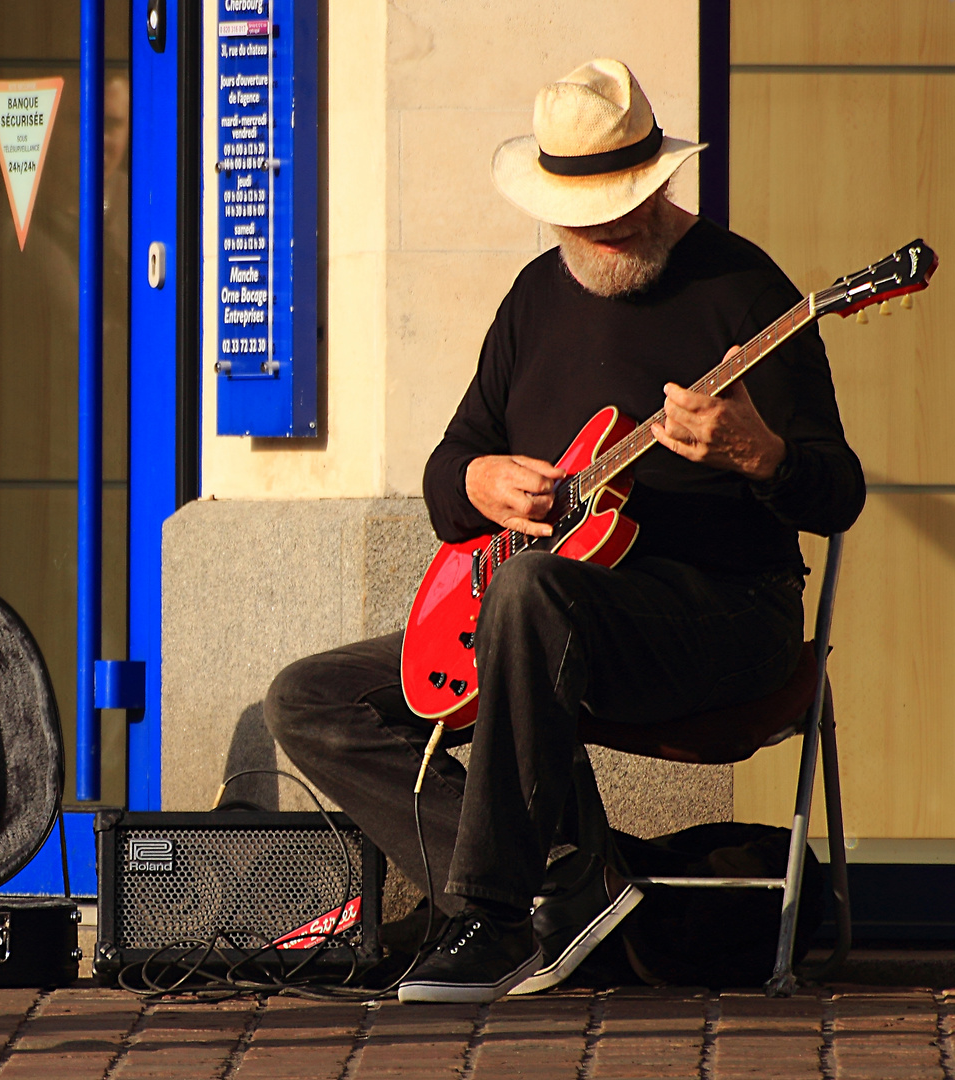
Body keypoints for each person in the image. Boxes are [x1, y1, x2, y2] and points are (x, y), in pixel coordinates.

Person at [263, 59, 864, 1004]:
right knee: (308, 699)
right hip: (536, 620)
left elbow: (837, 494)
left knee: (529, 592)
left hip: (720, 619)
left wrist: (759, 455)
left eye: (623, 204)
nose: (605, 231)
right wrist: (477, 478)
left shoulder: (749, 295)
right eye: (581, 212)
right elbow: (447, 469)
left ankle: (493, 915)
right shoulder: (535, 297)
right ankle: (572, 874)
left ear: (660, 181)